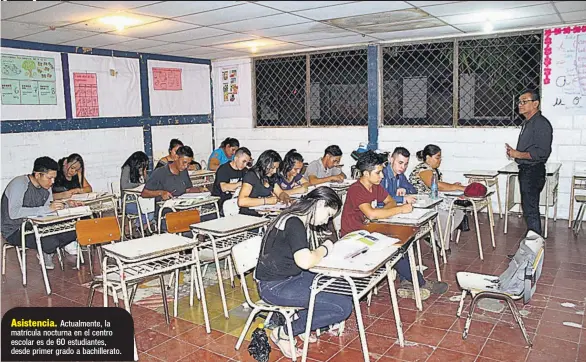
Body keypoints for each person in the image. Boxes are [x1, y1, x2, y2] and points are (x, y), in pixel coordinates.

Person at [256, 187, 352, 358]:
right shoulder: (294, 222)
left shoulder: (297, 217)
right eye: (329, 215)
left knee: (341, 287)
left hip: (291, 277)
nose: (326, 221)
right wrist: (326, 248)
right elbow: (305, 261)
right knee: (343, 307)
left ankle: (302, 323)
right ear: (320, 203)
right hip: (275, 287)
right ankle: (284, 332)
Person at [341, 151, 448, 300]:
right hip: (354, 237)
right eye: (378, 173)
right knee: (394, 249)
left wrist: (381, 212)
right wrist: (400, 209)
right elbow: (371, 214)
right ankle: (420, 282)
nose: (382, 176)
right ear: (366, 173)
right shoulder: (356, 189)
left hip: (370, 230)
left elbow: (389, 201)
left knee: (405, 238)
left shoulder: (375, 185)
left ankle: (407, 281)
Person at [1, 157, 82, 269]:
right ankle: (47, 250)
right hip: (15, 230)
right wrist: (47, 209)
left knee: (75, 229)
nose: (52, 182)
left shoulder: (46, 186)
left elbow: (47, 209)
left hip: (37, 225)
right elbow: (14, 213)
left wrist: (66, 205)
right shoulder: (20, 183)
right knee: (50, 240)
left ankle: (47, 250)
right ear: (38, 175)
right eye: (49, 178)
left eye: (54, 178)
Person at [505, 89, 552, 236]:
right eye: (519, 102)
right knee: (529, 209)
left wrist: (518, 154)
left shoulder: (541, 124)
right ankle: (533, 243)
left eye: (524, 101)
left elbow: (543, 153)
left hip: (533, 171)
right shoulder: (528, 123)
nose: (520, 105)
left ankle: (534, 246)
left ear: (535, 104)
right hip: (526, 170)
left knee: (531, 210)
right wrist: (516, 154)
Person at [409, 144, 468, 252]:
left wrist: (452, 186)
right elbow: (435, 185)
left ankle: (435, 237)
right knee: (445, 215)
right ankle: (442, 244)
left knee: (459, 212)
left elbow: (439, 186)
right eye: (437, 157)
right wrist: (457, 187)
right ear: (428, 158)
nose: (439, 160)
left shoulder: (433, 170)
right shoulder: (423, 169)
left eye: (440, 157)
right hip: (422, 204)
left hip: (432, 201)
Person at [238, 150, 291, 216]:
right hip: (250, 215)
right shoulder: (251, 175)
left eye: (276, 168)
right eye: (272, 168)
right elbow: (241, 201)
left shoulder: (269, 176)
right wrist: (266, 201)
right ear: (264, 164)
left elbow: (280, 192)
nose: (274, 171)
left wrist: (285, 198)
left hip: (264, 214)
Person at [211, 147, 251, 216]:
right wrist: (241, 184)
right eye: (243, 161)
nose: (245, 165)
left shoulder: (245, 171)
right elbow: (224, 187)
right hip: (222, 203)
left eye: (247, 163)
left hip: (236, 202)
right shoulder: (223, 169)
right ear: (235, 158)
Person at [120, 151, 154, 230]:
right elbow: (124, 185)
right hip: (129, 201)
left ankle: (138, 225)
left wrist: (145, 175)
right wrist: (139, 185)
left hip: (142, 200)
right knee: (147, 210)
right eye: (141, 166)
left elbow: (150, 184)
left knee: (152, 208)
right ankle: (140, 225)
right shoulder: (127, 168)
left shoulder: (142, 171)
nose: (142, 168)